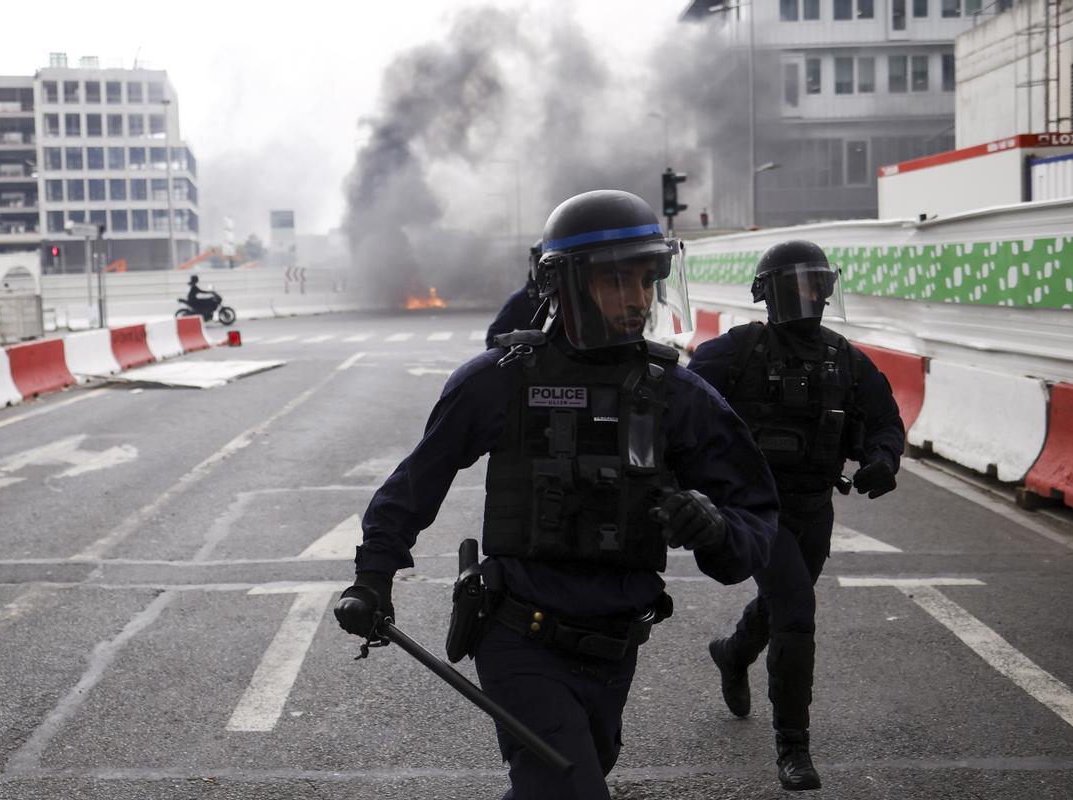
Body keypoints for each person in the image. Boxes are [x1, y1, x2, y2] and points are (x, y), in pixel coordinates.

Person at [335, 189, 780, 800]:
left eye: (648, 280)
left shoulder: (677, 395)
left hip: (615, 646)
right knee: (569, 788)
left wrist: (715, 529)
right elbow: (415, 484)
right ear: (566, 285)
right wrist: (372, 577)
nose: (638, 299)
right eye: (616, 280)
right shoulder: (500, 381)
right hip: (517, 637)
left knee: (573, 775)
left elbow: (752, 515)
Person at [687, 239, 904, 791]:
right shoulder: (736, 352)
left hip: (814, 509)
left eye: (817, 285)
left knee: (784, 602)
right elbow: (681, 407)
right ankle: (793, 748)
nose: (809, 298)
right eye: (797, 287)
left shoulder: (845, 359)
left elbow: (884, 420)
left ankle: (733, 653)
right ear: (767, 295)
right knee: (797, 609)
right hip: (756, 510)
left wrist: (881, 460)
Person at [485, 240, 544, 349]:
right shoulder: (522, 299)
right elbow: (494, 337)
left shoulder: (573, 295)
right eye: (541, 264)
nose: (546, 271)